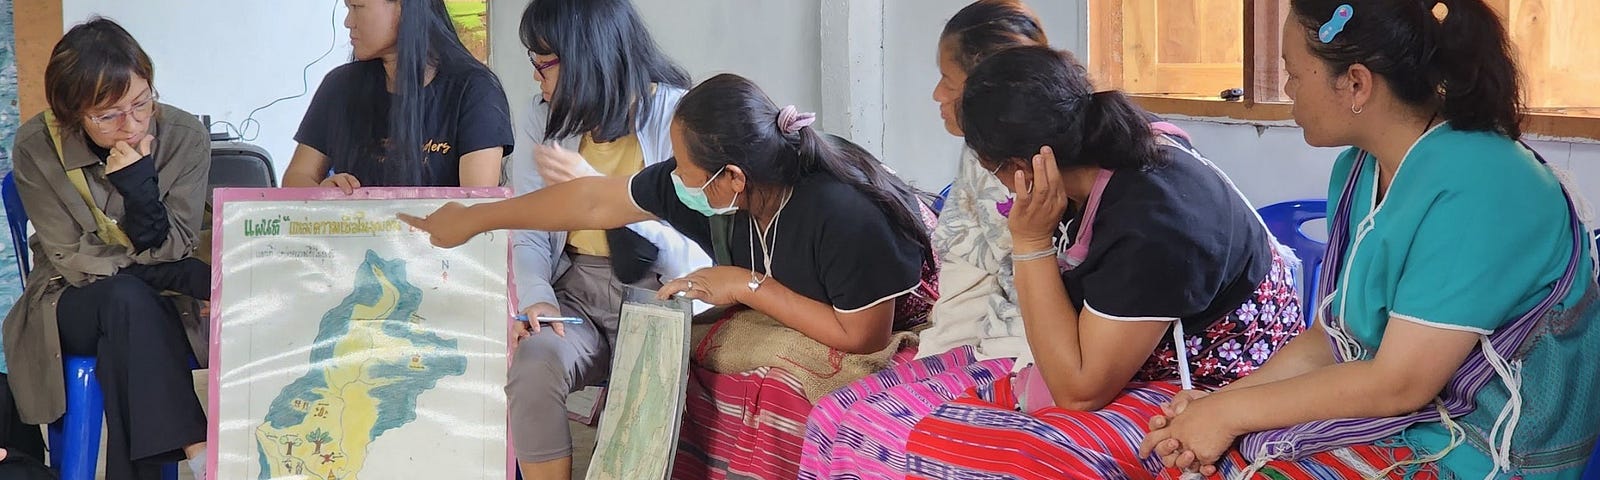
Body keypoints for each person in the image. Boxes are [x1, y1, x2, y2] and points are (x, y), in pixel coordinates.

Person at [1137, 1, 1600, 479]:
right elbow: (1333, 338)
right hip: (1401, 418)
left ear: (1356, 83)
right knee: (1189, 459)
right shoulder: (1358, 171)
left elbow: (1400, 384)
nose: (1288, 89)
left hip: (1482, 449)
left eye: (1294, 73)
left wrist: (1227, 416)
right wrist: (1219, 404)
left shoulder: (1486, 184)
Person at [401, 73, 938, 479]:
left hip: (880, 320)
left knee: (774, 386)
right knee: (683, 362)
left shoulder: (841, 212)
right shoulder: (717, 189)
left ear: (732, 177)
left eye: (684, 168)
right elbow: (592, 202)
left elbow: (863, 334)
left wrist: (743, 286)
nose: (673, 178)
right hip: (794, 303)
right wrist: (477, 219)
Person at [895, 46, 1304, 479]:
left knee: (955, 449)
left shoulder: (1152, 221)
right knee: (934, 418)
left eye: (991, 168)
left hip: (1217, 385)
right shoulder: (1113, 143)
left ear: (1024, 166)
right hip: (1130, 362)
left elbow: (1078, 392)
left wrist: (1030, 240)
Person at [800, 2, 1050, 477]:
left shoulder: (1052, 172)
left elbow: (1051, 299)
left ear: (989, 91)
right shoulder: (981, 159)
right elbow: (965, 277)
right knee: (832, 415)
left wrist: (990, 378)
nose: (936, 93)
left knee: (877, 433)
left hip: (1032, 354)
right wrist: (935, 364)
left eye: (948, 83)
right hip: (979, 342)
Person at [503, 0, 711, 478]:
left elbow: (693, 252)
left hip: (660, 291)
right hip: (576, 287)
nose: (537, 77)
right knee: (535, 362)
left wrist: (594, 188)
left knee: (641, 425)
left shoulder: (677, 116)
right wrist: (537, 299)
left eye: (544, 62)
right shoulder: (544, 118)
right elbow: (531, 230)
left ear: (586, 57)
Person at [2, 18, 212, 480]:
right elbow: (69, 257)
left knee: (128, 317)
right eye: (107, 115)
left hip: (153, 309)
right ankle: (199, 452)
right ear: (72, 112)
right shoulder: (38, 144)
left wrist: (139, 187)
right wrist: (169, 272)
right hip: (66, 299)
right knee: (123, 300)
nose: (132, 125)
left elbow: (176, 243)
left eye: (142, 103)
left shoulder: (182, 137)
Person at [282, 0, 513, 190]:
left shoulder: (475, 90)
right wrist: (323, 193)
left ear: (404, 8)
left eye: (358, 7)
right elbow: (297, 177)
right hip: (350, 242)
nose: (348, 22)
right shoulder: (339, 85)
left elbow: (477, 207)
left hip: (441, 244)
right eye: (347, 8)